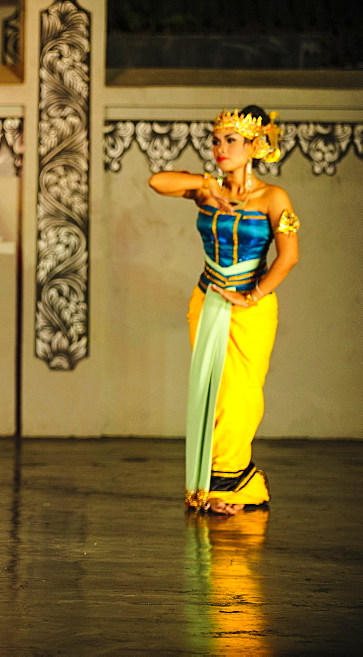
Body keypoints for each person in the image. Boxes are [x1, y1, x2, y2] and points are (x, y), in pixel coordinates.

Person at [148, 106, 300, 515]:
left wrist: (252, 296)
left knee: (240, 395)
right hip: (208, 300)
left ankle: (232, 484)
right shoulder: (206, 189)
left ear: (253, 146)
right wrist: (204, 184)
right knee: (211, 393)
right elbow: (156, 181)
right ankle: (215, 484)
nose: (220, 148)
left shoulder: (273, 197)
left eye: (230, 141)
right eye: (216, 141)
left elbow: (288, 258)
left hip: (251, 308)